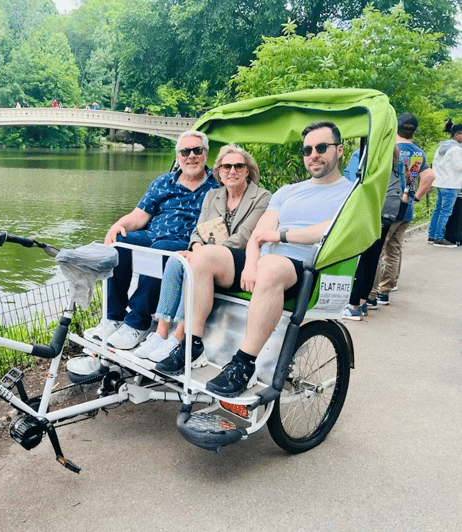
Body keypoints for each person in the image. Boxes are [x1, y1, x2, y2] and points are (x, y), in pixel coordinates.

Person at [155, 121, 354, 397]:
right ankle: (192, 345)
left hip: (306, 265)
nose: (313, 155)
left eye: (321, 148)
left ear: (339, 150)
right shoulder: (287, 192)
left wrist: (281, 236)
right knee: (203, 257)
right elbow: (259, 235)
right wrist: (250, 264)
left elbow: (330, 229)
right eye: (307, 149)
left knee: (271, 265)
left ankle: (243, 364)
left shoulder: (351, 193)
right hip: (264, 258)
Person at [67, 131, 218, 381]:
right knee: (120, 244)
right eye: (185, 152)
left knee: (161, 249)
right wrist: (117, 226)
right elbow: (139, 217)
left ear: (205, 153)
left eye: (197, 150)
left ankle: (138, 323)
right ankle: (114, 318)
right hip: (154, 233)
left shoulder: (216, 184)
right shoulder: (163, 182)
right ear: (178, 156)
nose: (191, 156)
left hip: (186, 241)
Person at [133, 144, 271, 362]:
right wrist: (196, 248)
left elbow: (244, 236)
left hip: (239, 257)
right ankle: (161, 331)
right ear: (219, 171)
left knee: (196, 264)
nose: (232, 171)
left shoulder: (262, 197)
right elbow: (199, 230)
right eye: (226, 166)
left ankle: (179, 336)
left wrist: (203, 253)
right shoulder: (213, 195)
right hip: (208, 253)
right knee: (176, 259)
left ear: (247, 170)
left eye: (238, 166)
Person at [367, 113, 435, 306]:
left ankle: (370, 294)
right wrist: (416, 198)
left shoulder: (390, 149)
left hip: (388, 208)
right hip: (406, 208)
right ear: (414, 130)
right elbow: (429, 176)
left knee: (377, 251)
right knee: (394, 250)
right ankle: (385, 292)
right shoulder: (418, 153)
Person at [342, 146, 402, 320]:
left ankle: (353, 306)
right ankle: (362, 303)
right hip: (387, 213)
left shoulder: (362, 152)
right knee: (372, 257)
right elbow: (403, 184)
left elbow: (350, 179)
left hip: (366, 210)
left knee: (358, 257)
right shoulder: (394, 152)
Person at [427, 123, 462, 247]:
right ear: (457, 135)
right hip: (451, 184)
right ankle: (439, 237)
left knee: (438, 210)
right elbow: (459, 166)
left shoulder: (442, 147)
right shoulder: (456, 149)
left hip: (441, 182)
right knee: (445, 211)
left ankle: (431, 235)